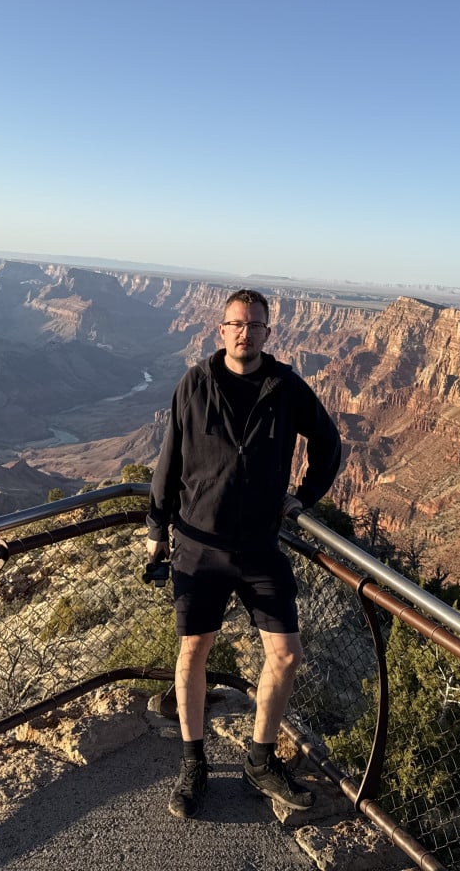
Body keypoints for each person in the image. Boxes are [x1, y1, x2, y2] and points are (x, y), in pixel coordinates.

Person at [146, 288, 342, 819]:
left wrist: (302, 497)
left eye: (255, 325)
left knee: (285, 654)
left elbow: (329, 443)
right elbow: (169, 459)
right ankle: (194, 764)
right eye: (236, 323)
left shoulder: (285, 388)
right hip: (197, 545)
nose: (244, 332)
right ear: (221, 330)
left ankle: (260, 760)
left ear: (267, 334)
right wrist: (156, 527)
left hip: (259, 547)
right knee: (192, 652)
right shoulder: (195, 383)